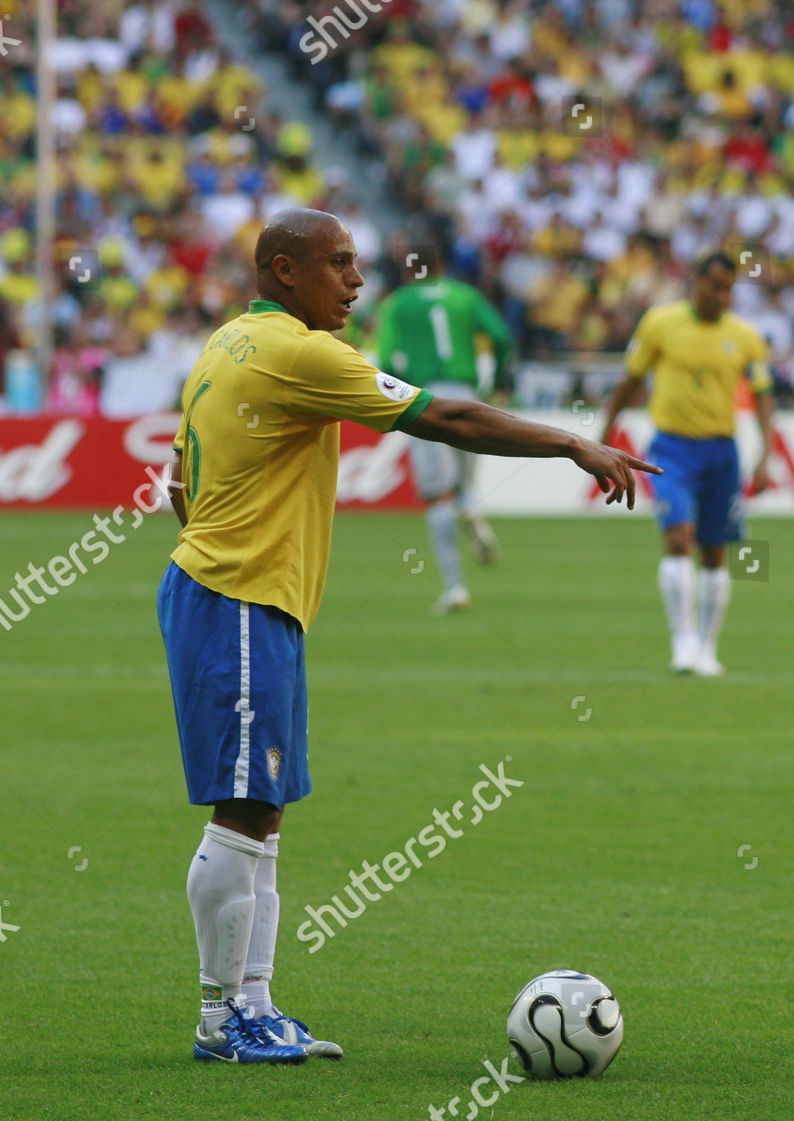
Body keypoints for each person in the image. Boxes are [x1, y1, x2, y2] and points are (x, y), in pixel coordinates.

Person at [158, 208, 656, 1064]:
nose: (356, 281)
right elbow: (448, 419)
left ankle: (256, 1005)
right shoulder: (302, 352)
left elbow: (178, 478)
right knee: (242, 812)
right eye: (339, 264)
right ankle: (219, 1017)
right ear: (284, 270)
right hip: (236, 598)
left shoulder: (230, 341)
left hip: (238, 593)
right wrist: (572, 440)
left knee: (265, 812)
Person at [599, 250, 775, 676]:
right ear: (695, 282)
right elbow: (632, 379)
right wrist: (606, 430)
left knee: (715, 552)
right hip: (671, 450)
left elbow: (763, 393)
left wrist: (765, 454)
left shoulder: (746, 335)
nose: (721, 295)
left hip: (721, 452)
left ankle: (707, 648)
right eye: (714, 285)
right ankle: (682, 640)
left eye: (728, 288)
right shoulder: (661, 322)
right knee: (679, 537)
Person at [375, 245, 515, 613]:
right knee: (464, 484)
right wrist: (499, 381)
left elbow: (387, 358)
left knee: (438, 497)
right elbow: (501, 336)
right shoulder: (465, 296)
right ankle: (469, 506)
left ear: (409, 269)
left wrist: (404, 393)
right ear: (441, 265)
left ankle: (455, 587)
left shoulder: (398, 303)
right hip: (468, 397)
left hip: (425, 398)